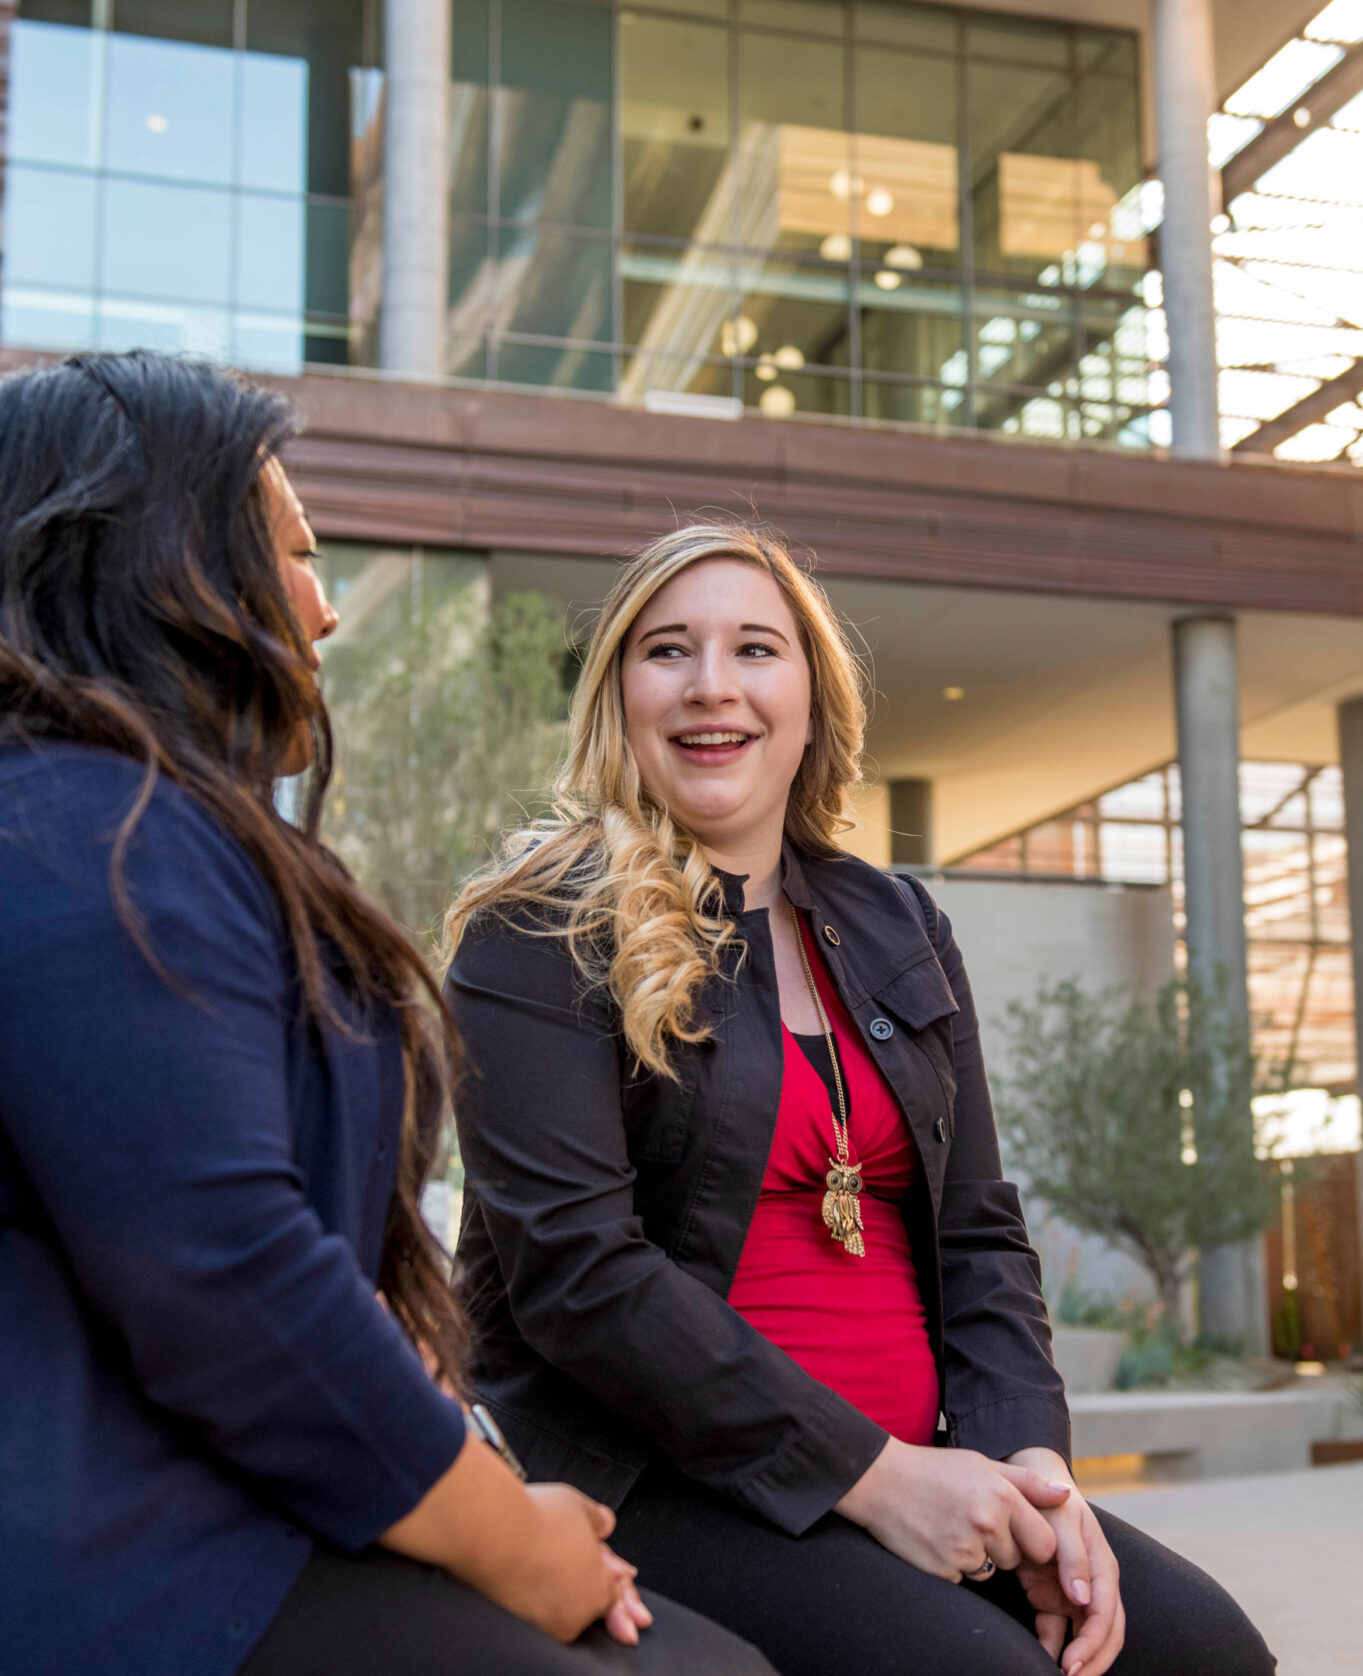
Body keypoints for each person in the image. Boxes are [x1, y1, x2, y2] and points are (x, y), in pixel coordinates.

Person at [0, 352, 772, 1676]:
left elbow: (294, 1265)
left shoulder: (122, 823)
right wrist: (510, 1538)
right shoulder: (58, 824)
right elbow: (230, 1275)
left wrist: (491, 1497)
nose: (323, 613)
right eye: (295, 555)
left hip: (144, 1534)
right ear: (165, 564)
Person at [442, 523, 1276, 1676]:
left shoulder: (898, 924)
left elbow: (981, 1230)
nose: (711, 687)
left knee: (1203, 1653)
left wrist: (1027, 1467)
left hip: (927, 1463)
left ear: (812, 698)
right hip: (660, 1472)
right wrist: (878, 1478)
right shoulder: (538, 927)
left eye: (754, 650)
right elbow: (581, 1278)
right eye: (668, 651)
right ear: (617, 695)